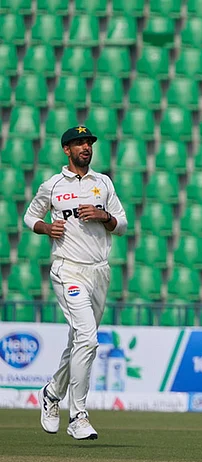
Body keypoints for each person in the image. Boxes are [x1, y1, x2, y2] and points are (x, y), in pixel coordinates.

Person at [24, 126, 128, 440]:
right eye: (79, 143)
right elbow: (31, 216)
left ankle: (52, 393)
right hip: (68, 270)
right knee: (89, 339)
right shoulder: (52, 185)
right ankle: (78, 415)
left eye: (89, 142)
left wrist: (103, 216)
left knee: (80, 342)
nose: (86, 147)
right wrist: (46, 228)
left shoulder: (103, 183)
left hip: (99, 271)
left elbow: (121, 224)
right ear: (66, 150)